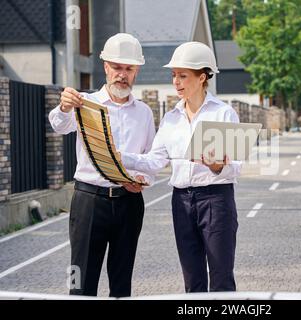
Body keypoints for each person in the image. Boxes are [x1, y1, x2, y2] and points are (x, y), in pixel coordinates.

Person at [120, 41, 241, 292]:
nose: (176, 81)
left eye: (183, 75)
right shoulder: (171, 118)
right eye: (174, 75)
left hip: (216, 200)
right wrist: (120, 156)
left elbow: (236, 168)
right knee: (192, 279)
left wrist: (217, 165)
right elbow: (155, 161)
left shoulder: (223, 114)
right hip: (181, 201)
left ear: (202, 77)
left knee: (221, 277)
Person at [48, 33, 156, 297]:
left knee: (121, 282)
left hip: (129, 203)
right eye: (117, 67)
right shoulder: (85, 103)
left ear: (137, 71)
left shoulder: (144, 113)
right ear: (106, 66)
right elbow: (58, 125)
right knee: (81, 280)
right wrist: (63, 107)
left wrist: (141, 180)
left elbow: (151, 159)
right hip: (89, 200)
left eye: (128, 68)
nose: (122, 74)